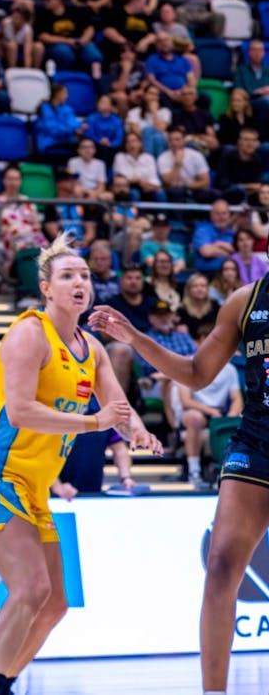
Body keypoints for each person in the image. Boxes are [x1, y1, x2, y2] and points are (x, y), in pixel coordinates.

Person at [0, 234, 162, 695]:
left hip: (32, 484)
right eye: (67, 276)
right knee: (29, 588)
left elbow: (118, 412)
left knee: (54, 604)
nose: (79, 283)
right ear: (47, 288)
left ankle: (1, 683)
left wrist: (137, 431)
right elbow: (20, 411)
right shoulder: (29, 332)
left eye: (84, 275)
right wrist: (94, 423)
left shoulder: (93, 348)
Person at [89, 258, 269, 695]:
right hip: (255, 444)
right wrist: (134, 339)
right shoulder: (245, 302)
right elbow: (195, 373)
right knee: (222, 566)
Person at [174, 324, 243, 486]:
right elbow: (186, 401)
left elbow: (237, 398)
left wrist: (232, 414)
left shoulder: (230, 369)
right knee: (194, 418)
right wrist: (209, 411)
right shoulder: (187, 363)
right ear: (197, 343)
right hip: (195, 410)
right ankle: (194, 470)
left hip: (220, 412)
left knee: (242, 418)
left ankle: (234, 470)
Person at [0, 164, 49, 279]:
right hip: (7, 238)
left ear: (20, 181)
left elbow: (37, 224)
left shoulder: (26, 200)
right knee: (22, 244)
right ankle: (24, 278)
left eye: (16, 179)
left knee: (45, 247)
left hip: (31, 237)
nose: (13, 183)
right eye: (9, 179)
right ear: (3, 180)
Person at [157, 124, 212, 204]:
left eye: (177, 139)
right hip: (174, 192)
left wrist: (185, 185)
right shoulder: (163, 158)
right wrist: (177, 165)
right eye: (171, 140)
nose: (174, 143)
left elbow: (206, 182)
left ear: (183, 140)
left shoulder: (196, 155)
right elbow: (168, 183)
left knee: (212, 194)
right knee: (176, 191)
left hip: (194, 189)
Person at [33, 83, 84, 162]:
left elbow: (74, 123)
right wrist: (72, 130)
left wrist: (80, 127)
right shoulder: (45, 108)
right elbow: (52, 129)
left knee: (86, 147)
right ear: (57, 94)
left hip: (67, 142)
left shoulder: (67, 108)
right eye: (65, 93)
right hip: (50, 143)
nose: (67, 96)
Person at [112, 129, 164, 202]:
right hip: (128, 187)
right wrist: (138, 180)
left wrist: (149, 185)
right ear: (125, 145)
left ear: (140, 143)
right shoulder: (120, 157)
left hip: (147, 187)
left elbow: (154, 179)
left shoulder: (149, 158)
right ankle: (134, 213)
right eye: (128, 142)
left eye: (134, 141)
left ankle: (161, 214)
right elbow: (121, 178)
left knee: (160, 193)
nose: (131, 144)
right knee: (134, 193)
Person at [145, 32, 195, 104]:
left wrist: (186, 91)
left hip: (183, 92)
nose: (164, 43)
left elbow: (191, 78)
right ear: (156, 45)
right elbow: (152, 80)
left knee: (204, 98)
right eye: (160, 41)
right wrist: (169, 92)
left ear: (171, 42)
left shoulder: (182, 59)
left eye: (166, 40)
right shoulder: (152, 60)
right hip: (163, 92)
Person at [215, 126, 263, 203]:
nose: (250, 143)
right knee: (238, 190)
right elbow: (223, 184)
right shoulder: (228, 156)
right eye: (246, 140)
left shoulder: (257, 159)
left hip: (249, 195)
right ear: (239, 141)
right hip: (228, 194)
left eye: (253, 140)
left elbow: (257, 185)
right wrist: (247, 186)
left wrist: (251, 188)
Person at [234, 39, 269, 139]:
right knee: (265, 103)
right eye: (254, 50)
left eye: (260, 50)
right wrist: (258, 92)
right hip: (250, 101)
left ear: (263, 53)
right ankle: (262, 137)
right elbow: (238, 91)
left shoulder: (267, 70)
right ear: (249, 52)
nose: (257, 53)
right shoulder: (241, 70)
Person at [126, 82, 171, 157]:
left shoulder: (165, 111)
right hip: (142, 142)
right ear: (144, 95)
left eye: (156, 95)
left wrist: (154, 113)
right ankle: (151, 161)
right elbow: (138, 133)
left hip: (163, 143)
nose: (153, 97)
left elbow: (161, 129)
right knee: (149, 131)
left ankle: (148, 161)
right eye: (151, 94)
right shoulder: (134, 112)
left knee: (158, 138)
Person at [192, 198, 236, 274]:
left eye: (224, 213)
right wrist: (229, 252)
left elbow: (238, 252)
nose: (221, 217)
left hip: (230, 275)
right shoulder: (203, 230)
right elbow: (206, 252)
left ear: (229, 215)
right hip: (207, 274)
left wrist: (219, 244)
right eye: (217, 214)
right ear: (211, 215)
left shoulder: (232, 232)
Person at [176, 274, 220, 340]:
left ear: (207, 289)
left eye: (203, 286)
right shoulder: (181, 310)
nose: (200, 289)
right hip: (190, 346)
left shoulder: (215, 306)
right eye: (195, 286)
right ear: (188, 290)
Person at [250, 182, 269, 250]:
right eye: (262, 193)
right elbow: (260, 234)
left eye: (268, 193)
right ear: (258, 195)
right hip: (262, 248)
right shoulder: (255, 212)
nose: (265, 196)